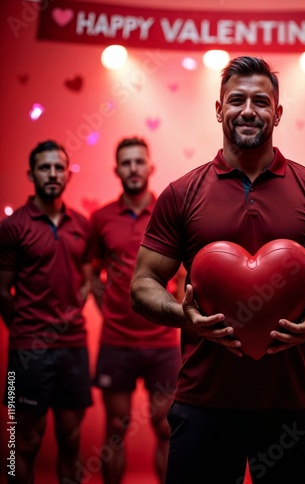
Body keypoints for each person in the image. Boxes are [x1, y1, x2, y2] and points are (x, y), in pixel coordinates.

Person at [129, 56, 305, 484]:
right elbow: (142, 283)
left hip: (291, 405)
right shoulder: (181, 193)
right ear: (219, 109)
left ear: (277, 113)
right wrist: (184, 316)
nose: (248, 110)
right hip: (204, 401)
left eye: (261, 101)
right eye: (236, 100)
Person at [0, 140, 93, 483]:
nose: (52, 174)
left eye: (58, 167)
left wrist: (68, 317)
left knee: (71, 440)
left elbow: (86, 283)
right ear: (31, 174)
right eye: (44, 167)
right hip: (27, 353)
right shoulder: (13, 227)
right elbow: (1, 290)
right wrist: (25, 331)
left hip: (74, 348)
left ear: (67, 173)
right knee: (21, 442)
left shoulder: (83, 225)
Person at [90, 137, 182, 484]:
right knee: (116, 427)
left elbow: (185, 273)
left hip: (162, 343)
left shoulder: (169, 213)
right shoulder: (100, 218)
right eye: (126, 163)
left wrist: (172, 311)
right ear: (117, 170)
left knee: (166, 427)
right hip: (117, 343)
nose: (133, 168)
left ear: (150, 167)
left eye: (139, 162)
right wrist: (110, 311)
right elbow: (93, 275)